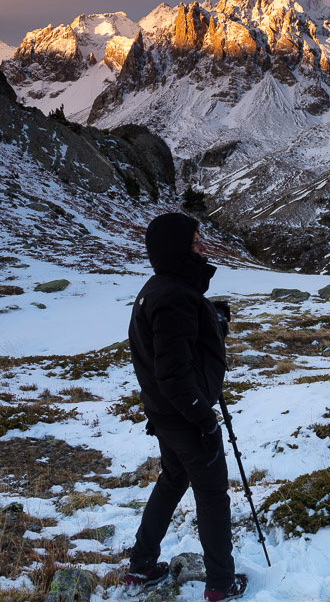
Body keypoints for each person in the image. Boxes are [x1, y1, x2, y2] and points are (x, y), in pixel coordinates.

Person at [124, 212, 247, 601]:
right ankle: (221, 584)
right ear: (178, 249)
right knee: (212, 494)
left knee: (173, 479)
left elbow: (178, 352)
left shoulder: (162, 288)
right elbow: (174, 375)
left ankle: (141, 563)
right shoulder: (175, 297)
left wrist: (211, 319)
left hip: (164, 417)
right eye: (196, 242)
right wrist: (205, 421)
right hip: (185, 419)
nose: (203, 247)